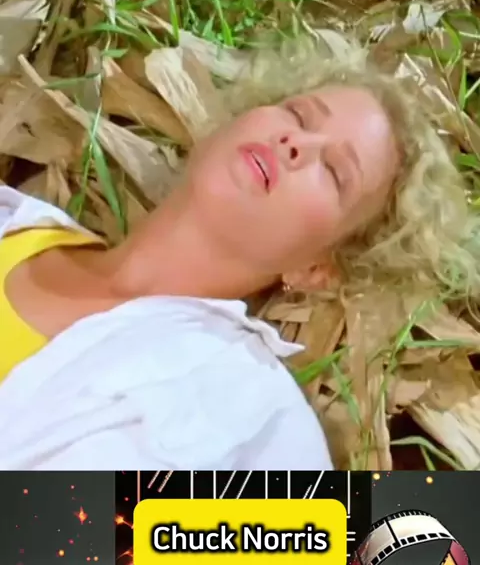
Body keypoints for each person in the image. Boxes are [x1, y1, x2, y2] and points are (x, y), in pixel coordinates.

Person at [0, 38, 478, 470]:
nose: (296, 143)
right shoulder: (17, 221)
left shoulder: (255, 422)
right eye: (299, 115)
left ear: (316, 268)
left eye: (335, 172)